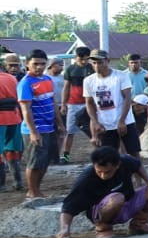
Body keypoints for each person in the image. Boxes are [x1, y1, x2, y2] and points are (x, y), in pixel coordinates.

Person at [52, 145, 148, 238]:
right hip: (102, 210)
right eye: (99, 171)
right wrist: (64, 228)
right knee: (117, 198)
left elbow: (136, 163)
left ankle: (139, 225)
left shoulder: (125, 161)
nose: (103, 175)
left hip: (127, 201)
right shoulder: (86, 179)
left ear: (117, 165)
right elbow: (68, 207)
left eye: (107, 172)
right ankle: (103, 228)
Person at [84, 49, 142, 157]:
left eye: (100, 62)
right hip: (105, 125)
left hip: (126, 121)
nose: (97, 66)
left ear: (107, 61)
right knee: (108, 157)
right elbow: (89, 103)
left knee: (134, 154)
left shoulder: (120, 76)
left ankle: (137, 174)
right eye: (94, 63)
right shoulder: (88, 81)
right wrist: (95, 122)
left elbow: (127, 98)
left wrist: (122, 121)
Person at [17, 49, 58, 199]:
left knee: (45, 161)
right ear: (27, 64)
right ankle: (32, 191)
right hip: (34, 129)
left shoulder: (47, 79)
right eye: (35, 64)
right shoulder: (25, 83)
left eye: (42, 63)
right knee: (34, 162)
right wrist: (33, 132)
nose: (39, 67)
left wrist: (59, 124)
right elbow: (25, 110)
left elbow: (53, 103)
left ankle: (37, 190)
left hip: (49, 127)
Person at [60, 46, 92, 163]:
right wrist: (63, 104)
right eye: (81, 59)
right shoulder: (70, 69)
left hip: (89, 104)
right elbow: (66, 87)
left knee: (93, 130)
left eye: (86, 59)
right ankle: (66, 156)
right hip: (73, 104)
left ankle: (98, 153)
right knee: (70, 131)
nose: (83, 62)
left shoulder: (92, 68)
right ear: (76, 57)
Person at [0, 57, 25, 192]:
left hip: (1, 118)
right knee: (12, 150)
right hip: (14, 118)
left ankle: (1, 185)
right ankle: (18, 182)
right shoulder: (11, 78)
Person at [125, 54, 148, 133]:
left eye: (136, 63)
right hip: (128, 104)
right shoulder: (123, 75)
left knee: (141, 126)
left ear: (140, 63)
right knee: (130, 126)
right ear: (128, 63)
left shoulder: (147, 75)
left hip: (142, 105)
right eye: (131, 63)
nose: (133, 65)